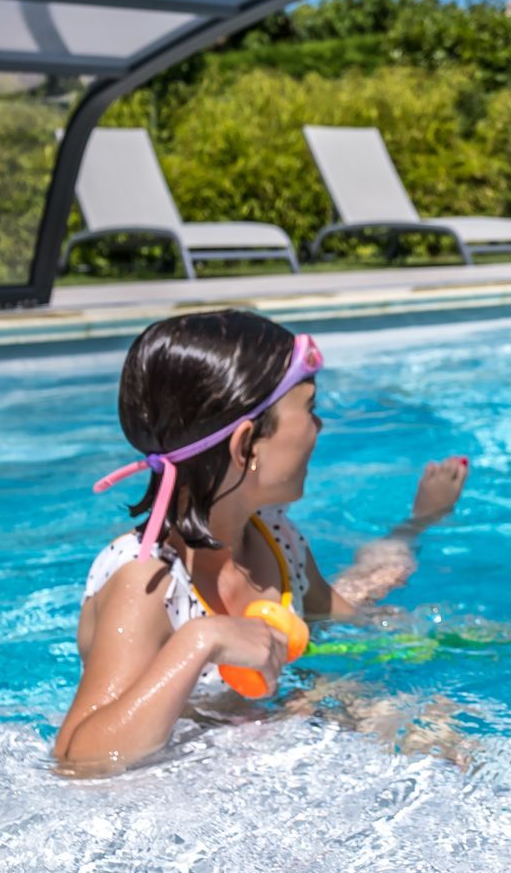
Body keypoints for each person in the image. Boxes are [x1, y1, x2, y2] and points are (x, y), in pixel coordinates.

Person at [56, 311, 469, 775]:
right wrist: (201, 641)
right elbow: (81, 756)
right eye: (310, 409)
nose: (320, 427)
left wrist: (418, 538)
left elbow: (340, 612)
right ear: (245, 445)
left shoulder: (275, 539)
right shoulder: (146, 581)